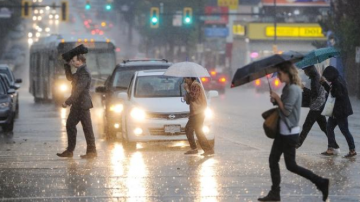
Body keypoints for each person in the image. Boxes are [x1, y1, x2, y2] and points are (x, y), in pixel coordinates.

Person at [258, 62, 329, 202]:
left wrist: (278, 99)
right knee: (273, 160)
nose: (278, 76)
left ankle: (321, 182)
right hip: (283, 132)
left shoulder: (293, 89)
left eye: (280, 74)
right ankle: (275, 193)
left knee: (291, 165)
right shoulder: (288, 88)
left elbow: (287, 111)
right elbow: (284, 106)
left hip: (289, 134)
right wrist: (275, 100)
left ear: (287, 74)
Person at [56, 54, 97, 159]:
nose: (73, 62)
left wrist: (67, 102)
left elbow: (78, 90)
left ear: (80, 61)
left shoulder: (84, 73)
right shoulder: (80, 71)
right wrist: (67, 65)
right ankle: (71, 151)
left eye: (74, 61)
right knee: (72, 125)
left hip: (82, 105)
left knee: (86, 128)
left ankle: (91, 152)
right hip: (78, 105)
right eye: (72, 61)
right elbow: (70, 78)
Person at [296, 65, 340, 151]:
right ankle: (334, 145)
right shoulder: (317, 76)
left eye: (305, 70)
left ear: (309, 70)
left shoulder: (314, 79)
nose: (304, 72)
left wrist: (304, 88)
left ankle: (297, 144)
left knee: (306, 126)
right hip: (320, 106)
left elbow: (314, 94)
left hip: (316, 107)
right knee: (324, 127)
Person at [320, 66, 356, 158]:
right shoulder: (337, 79)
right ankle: (330, 148)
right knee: (329, 127)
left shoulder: (337, 82)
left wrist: (327, 86)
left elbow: (337, 95)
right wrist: (324, 84)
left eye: (327, 76)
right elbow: (333, 93)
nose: (327, 78)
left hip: (341, 111)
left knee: (344, 130)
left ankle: (352, 150)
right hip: (336, 111)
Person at [183, 77, 214, 156]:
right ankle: (206, 149)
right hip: (196, 112)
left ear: (190, 78)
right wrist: (186, 95)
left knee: (190, 129)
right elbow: (188, 101)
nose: (185, 81)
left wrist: (187, 89)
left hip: (198, 112)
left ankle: (199, 149)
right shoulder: (192, 86)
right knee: (196, 130)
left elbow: (193, 98)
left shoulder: (195, 85)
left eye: (186, 79)